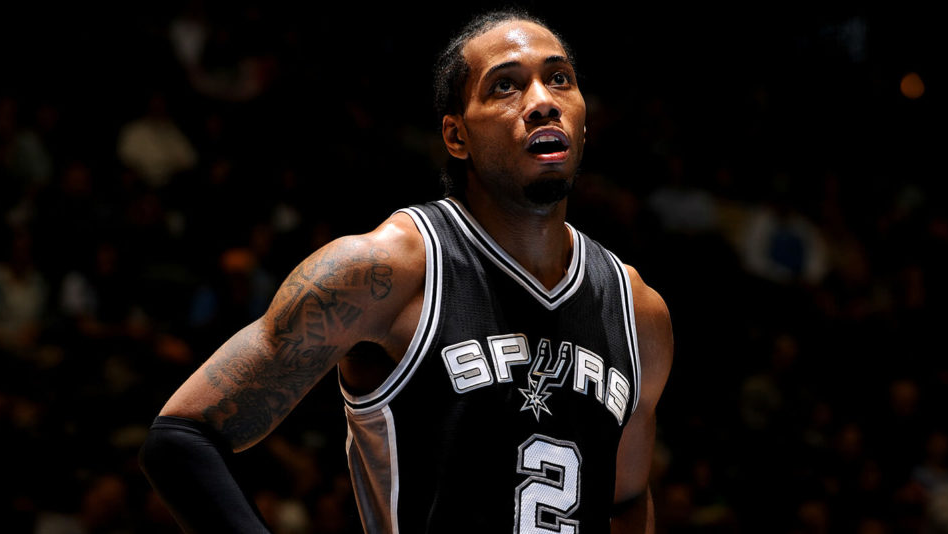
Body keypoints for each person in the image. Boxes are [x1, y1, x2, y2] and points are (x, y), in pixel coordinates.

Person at [140, 10, 673, 533]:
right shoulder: (385, 271)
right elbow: (182, 437)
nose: (542, 101)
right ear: (456, 136)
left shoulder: (638, 310)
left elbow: (626, 500)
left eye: (559, 79)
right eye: (505, 86)